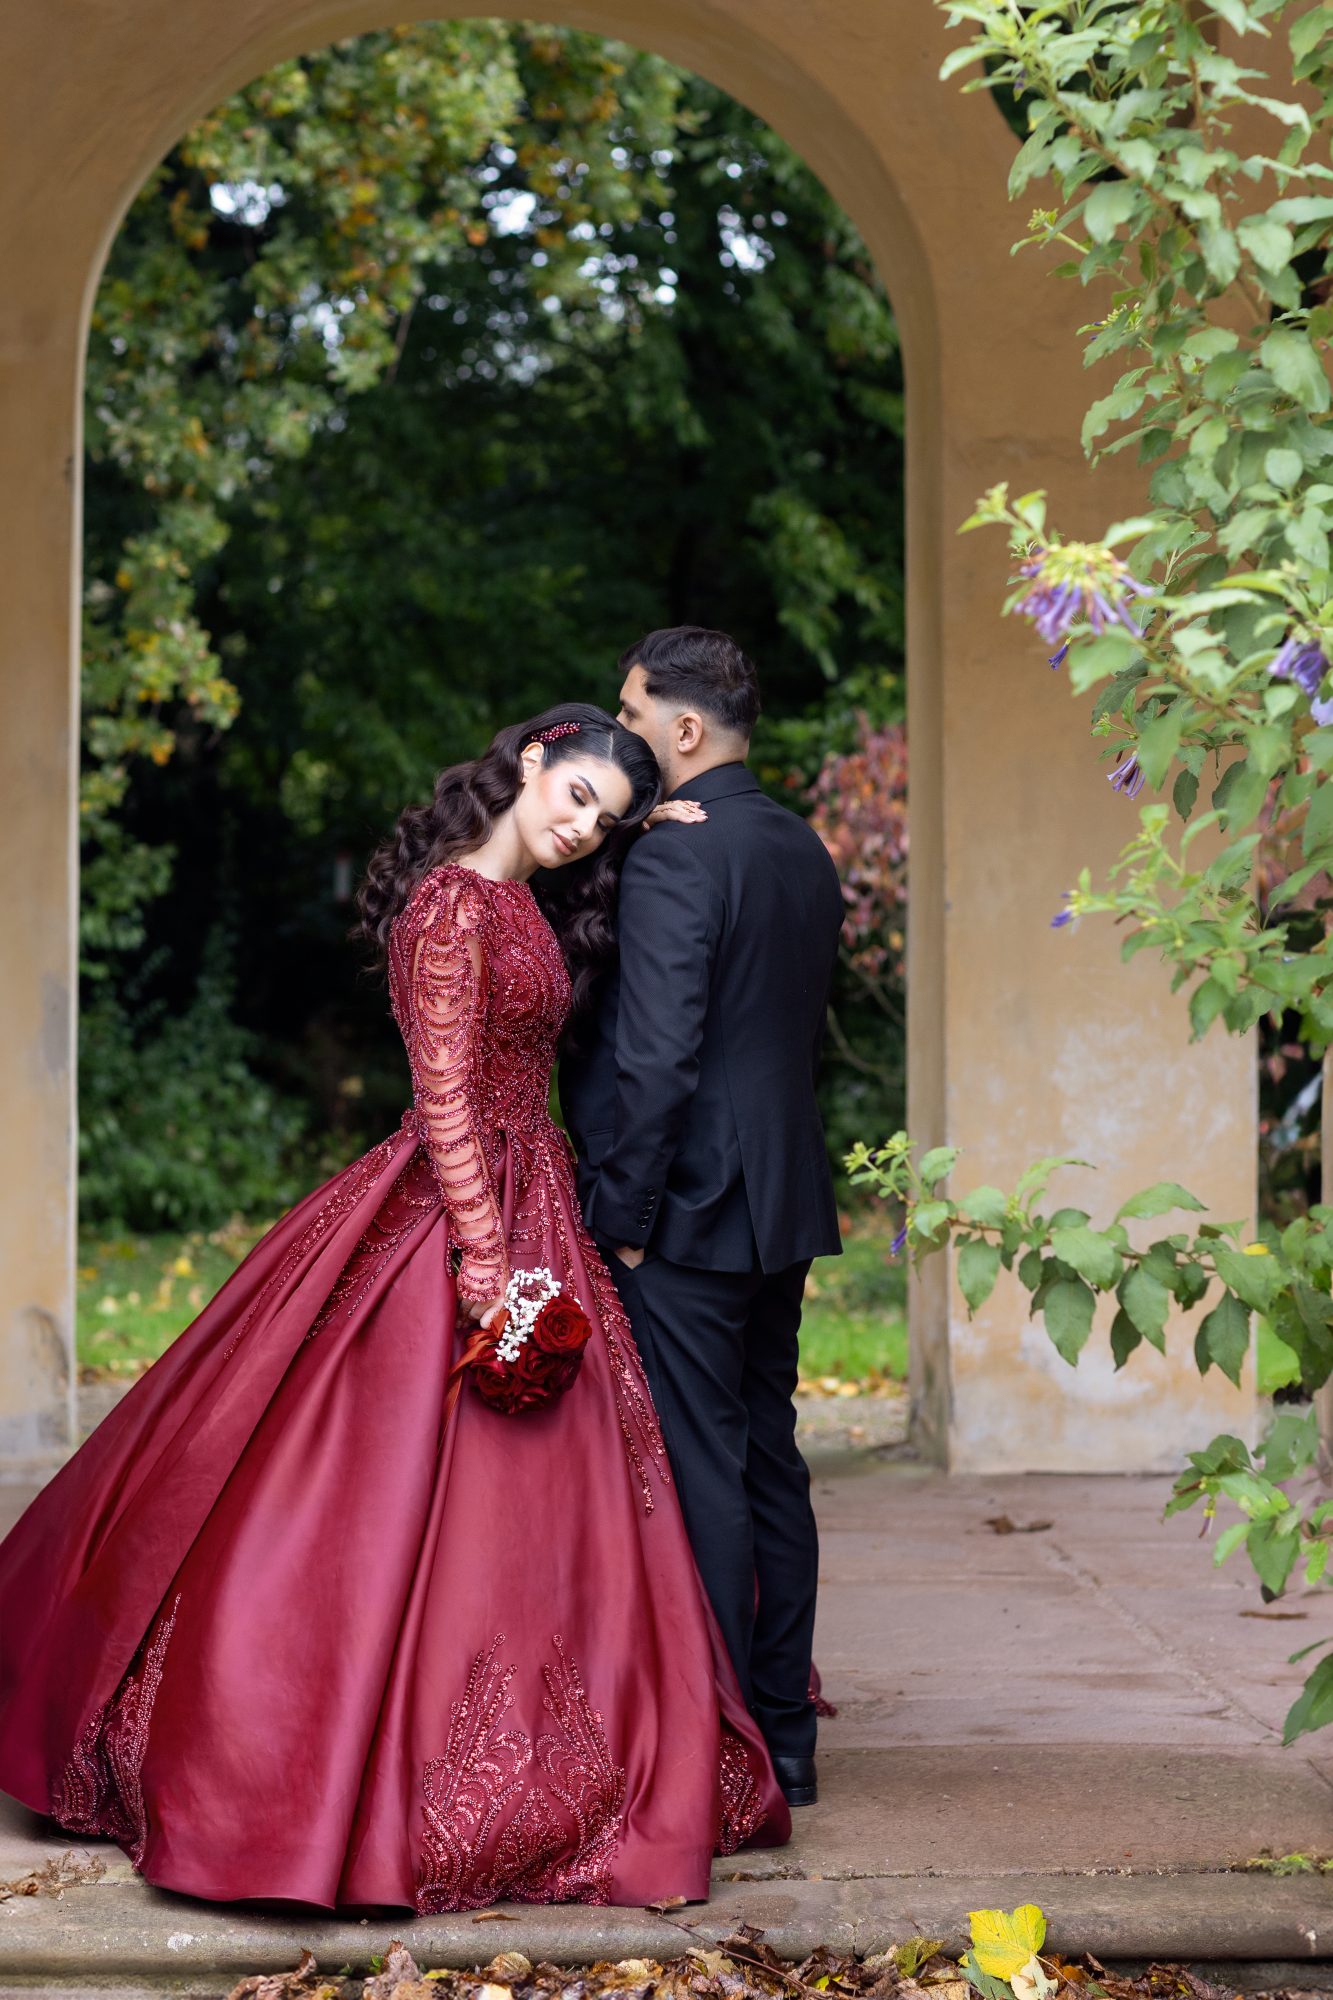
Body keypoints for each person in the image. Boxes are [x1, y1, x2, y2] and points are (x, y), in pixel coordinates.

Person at [0, 702, 790, 1913]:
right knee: (360, 1501)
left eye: (607, 820)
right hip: (460, 1214)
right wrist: (483, 1260)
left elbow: (594, 994)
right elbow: (445, 1097)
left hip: (538, 1209)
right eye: (576, 795)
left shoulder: (531, 904)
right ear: (531, 760)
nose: (584, 828)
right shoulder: (448, 907)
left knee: (560, 1517)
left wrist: (671, 828)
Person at [561, 630, 846, 1810]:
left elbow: (659, 1057)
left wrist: (619, 1214)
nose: (623, 731)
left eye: (634, 714)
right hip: (778, 1199)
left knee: (700, 1466)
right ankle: (785, 1735)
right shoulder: (799, 845)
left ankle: (726, 1748)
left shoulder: (681, 860)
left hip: (684, 1206)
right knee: (768, 1458)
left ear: (684, 731)